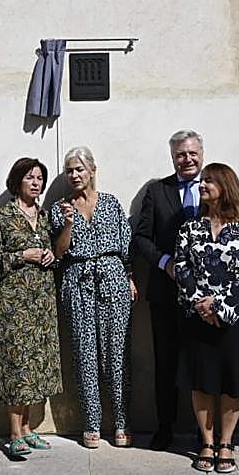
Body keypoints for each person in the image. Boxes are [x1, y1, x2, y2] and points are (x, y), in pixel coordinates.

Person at [174, 163, 239, 474]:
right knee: (201, 381)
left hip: (235, 319)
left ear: (226, 186)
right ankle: (207, 442)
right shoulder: (190, 228)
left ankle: (226, 442)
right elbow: (182, 267)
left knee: (231, 382)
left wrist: (222, 307)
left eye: (209, 181)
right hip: (198, 317)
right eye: (202, 181)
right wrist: (201, 304)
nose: (202, 185)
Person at [51, 146, 137, 449]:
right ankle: (91, 422)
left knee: (117, 353)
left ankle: (122, 422)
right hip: (77, 280)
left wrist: (129, 277)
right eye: (70, 170)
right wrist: (69, 224)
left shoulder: (111, 203)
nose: (74, 175)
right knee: (85, 354)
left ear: (92, 170)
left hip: (113, 279)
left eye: (79, 169)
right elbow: (58, 254)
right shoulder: (59, 209)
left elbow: (126, 243)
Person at [0, 157, 62, 459]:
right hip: (11, 304)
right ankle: (14, 433)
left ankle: (27, 428)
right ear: (17, 181)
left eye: (40, 178)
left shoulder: (43, 217)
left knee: (35, 365)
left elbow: (53, 249)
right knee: (16, 366)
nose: (36, 182)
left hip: (40, 301)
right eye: (30, 177)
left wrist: (50, 256)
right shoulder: (3, 216)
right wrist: (22, 256)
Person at [132, 129, 204, 450]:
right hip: (166, 291)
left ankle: (207, 431)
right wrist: (165, 263)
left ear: (201, 153)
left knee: (203, 361)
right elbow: (141, 238)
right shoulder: (157, 191)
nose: (186, 159)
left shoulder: (214, 185)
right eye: (180, 155)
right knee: (167, 363)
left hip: (207, 294)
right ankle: (166, 426)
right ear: (172, 157)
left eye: (191, 153)